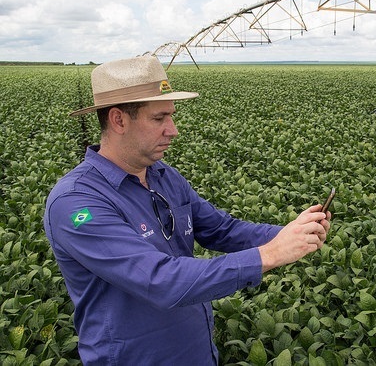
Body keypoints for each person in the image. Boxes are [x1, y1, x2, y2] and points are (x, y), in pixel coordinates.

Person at [44, 55, 331, 365]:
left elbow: (222, 230)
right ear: (119, 120)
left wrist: (293, 234)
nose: (173, 130)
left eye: (172, 116)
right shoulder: (76, 203)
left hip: (196, 353)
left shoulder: (162, 175)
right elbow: (160, 281)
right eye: (159, 118)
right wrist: (270, 254)